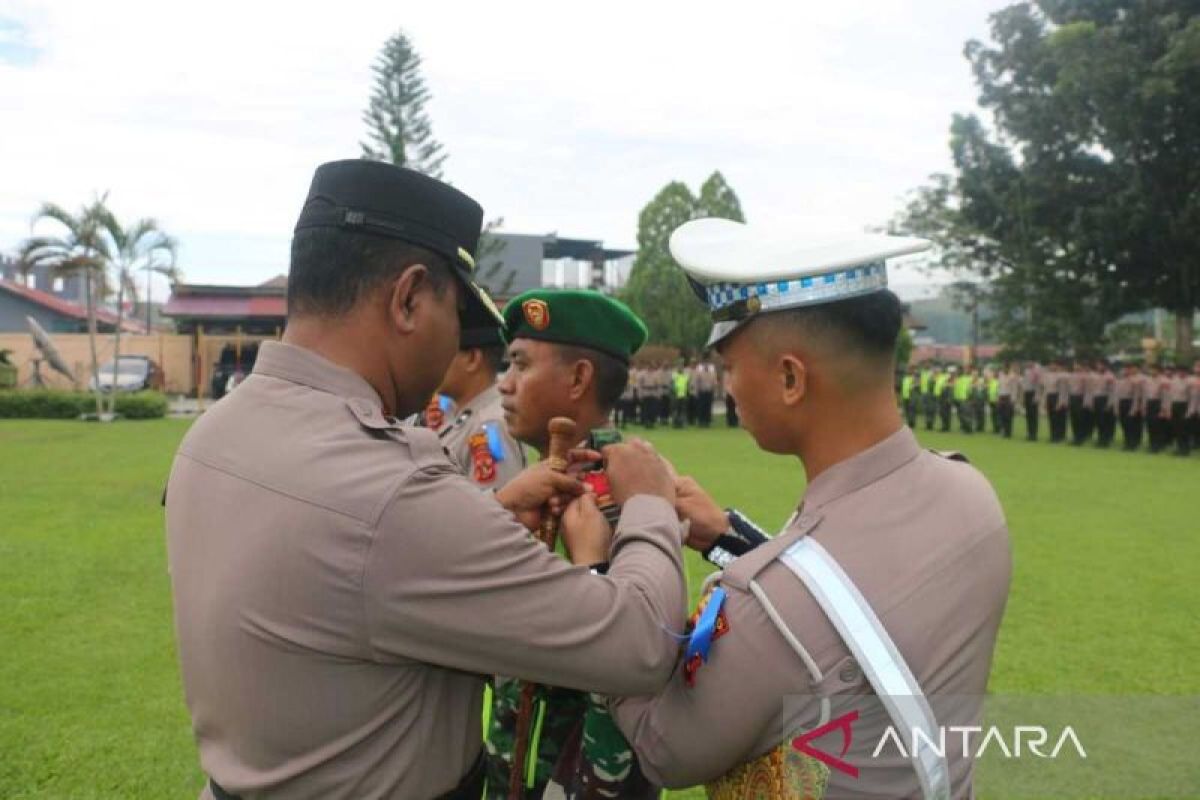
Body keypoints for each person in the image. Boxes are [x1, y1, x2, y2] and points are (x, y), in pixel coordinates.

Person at [164, 160, 687, 800]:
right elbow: (640, 645)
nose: (464, 352)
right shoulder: (389, 490)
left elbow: (351, 578)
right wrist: (653, 508)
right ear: (409, 298)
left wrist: (486, 513)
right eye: (456, 311)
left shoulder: (213, 435)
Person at [600, 218, 1011, 796]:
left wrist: (621, 543)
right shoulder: (969, 489)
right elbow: (842, 595)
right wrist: (728, 537)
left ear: (790, 377)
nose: (729, 387)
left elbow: (664, 749)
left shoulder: (766, 606)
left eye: (730, 367)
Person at [490, 288, 660, 800]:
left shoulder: (622, 505)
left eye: (520, 365)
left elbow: (627, 683)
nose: (504, 384)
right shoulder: (531, 488)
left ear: (579, 379)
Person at [435, 323, 525, 488]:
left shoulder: (490, 427)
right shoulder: (466, 416)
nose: (432, 362)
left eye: (441, 352)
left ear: (472, 359)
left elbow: (496, 507)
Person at [1115, 362, 1146, 451]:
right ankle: (1127, 441)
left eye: (1131, 368)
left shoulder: (1140, 379)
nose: (1128, 370)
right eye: (1127, 369)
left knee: (1134, 424)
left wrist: (1137, 406)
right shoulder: (1121, 379)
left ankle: (1134, 442)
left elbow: (1140, 394)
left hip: (1133, 402)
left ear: (1136, 368)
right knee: (1124, 423)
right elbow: (1117, 393)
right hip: (1123, 402)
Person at [1166, 365, 1192, 457]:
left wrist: (1190, 410)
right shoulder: (1174, 381)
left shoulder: (1190, 382)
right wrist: (1169, 409)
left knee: (1184, 428)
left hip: (1184, 405)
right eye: (1180, 371)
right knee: (1176, 428)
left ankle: (1185, 449)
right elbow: (1170, 396)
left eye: (1183, 371)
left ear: (1187, 372)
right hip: (1174, 405)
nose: (1181, 373)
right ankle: (1179, 447)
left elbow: (1191, 398)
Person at [1021, 360, 1042, 441]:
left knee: (1033, 415)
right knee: (1028, 415)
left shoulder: (1037, 371)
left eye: (1030, 362)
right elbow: (1024, 384)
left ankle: (1034, 434)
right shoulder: (1026, 371)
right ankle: (1029, 433)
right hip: (1027, 393)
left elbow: (1038, 385)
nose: (1028, 363)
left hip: (1033, 394)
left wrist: (1037, 396)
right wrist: (1023, 397)